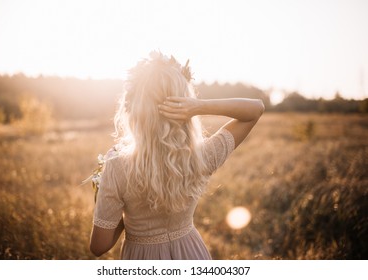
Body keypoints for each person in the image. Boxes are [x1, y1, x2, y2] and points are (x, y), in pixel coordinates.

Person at [89, 51, 264, 259]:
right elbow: (256, 109)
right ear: (185, 105)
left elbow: (99, 246)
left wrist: (113, 206)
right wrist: (199, 107)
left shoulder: (117, 166)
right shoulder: (202, 156)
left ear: (134, 108)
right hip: (192, 253)